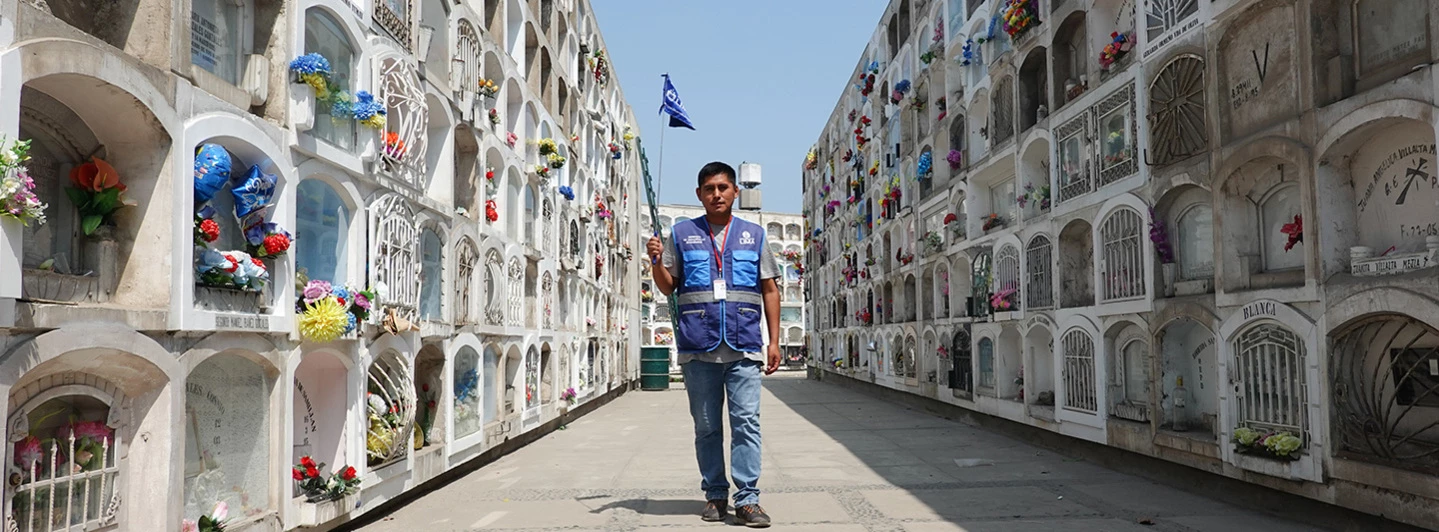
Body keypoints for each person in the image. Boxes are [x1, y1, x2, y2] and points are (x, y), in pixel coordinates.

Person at [647, 161, 780, 528]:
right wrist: (655, 261)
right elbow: (667, 286)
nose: (716, 194)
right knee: (706, 426)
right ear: (699, 194)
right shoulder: (681, 233)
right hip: (698, 347)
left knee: (746, 425)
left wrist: (774, 341)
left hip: (744, 346)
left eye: (723, 187)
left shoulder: (754, 235)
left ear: (736, 191)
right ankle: (715, 495)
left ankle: (748, 499)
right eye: (709, 188)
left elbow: (770, 289)